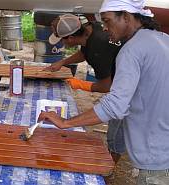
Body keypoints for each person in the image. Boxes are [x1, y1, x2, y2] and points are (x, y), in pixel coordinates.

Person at [38, 0, 169, 184]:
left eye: (107, 21)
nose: (105, 28)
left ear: (126, 16)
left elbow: (115, 105)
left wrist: (65, 122)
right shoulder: (161, 38)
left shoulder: (132, 50)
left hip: (156, 155)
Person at [44, 13, 126, 163]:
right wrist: (62, 62)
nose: (62, 43)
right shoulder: (91, 27)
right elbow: (84, 53)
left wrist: (82, 85)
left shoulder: (98, 48)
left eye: (62, 39)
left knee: (116, 132)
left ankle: (110, 168)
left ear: (70, 38)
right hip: (128, 73)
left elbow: (109, 85)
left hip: (137, 87)